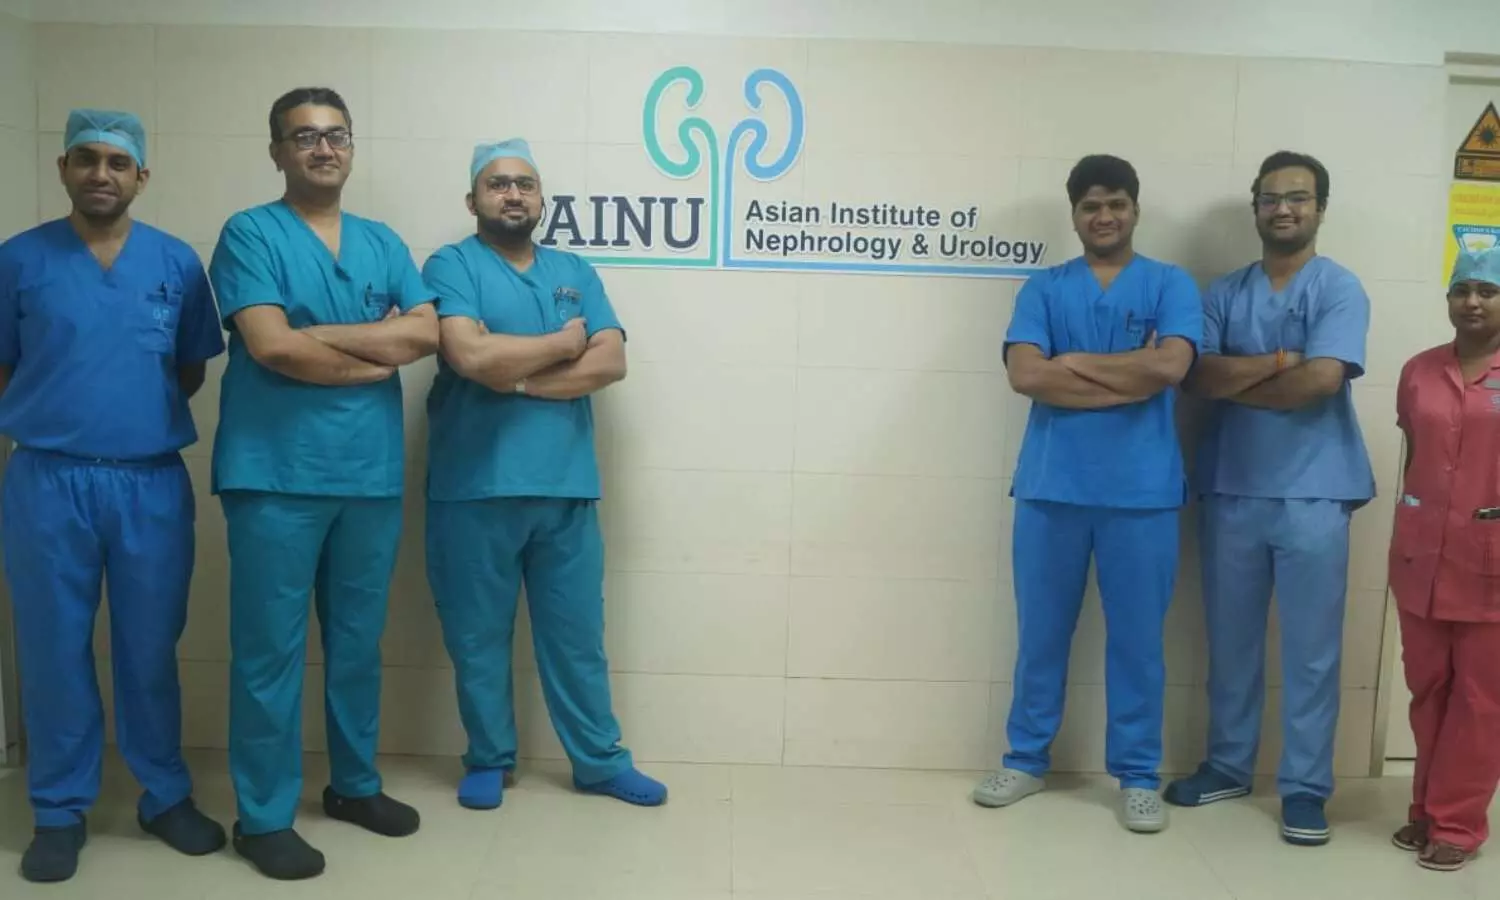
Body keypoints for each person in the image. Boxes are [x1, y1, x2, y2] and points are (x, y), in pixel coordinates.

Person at [207, 87, 438, 880]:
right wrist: (369, 354)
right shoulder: (250, 233)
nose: (323, 148)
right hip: (275, 475)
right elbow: (271, 346)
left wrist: (322, 338)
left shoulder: (382, 241)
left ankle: (354, 786)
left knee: (357, 645)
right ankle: (264, 817)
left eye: (336, 134)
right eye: (304, 136)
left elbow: (425, 332)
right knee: (269, 652)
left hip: (368, 477)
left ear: (352, 147)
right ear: (277, 151)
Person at [0, 110, 227, 883]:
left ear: (141, 177)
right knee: (52, 647)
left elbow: (189, 368)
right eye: (87, 159)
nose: (102, 173)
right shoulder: (19, 260)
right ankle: (58, 810)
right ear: (63, 168)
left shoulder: (175, 263)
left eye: (118, 162)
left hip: (149, 481)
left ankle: (164, 795)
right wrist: (64, 416)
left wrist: (127, 417)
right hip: (48, 480)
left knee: (150, 646)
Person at [422, 138, 666, 812]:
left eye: (525, 184)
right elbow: (470, 356)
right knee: (477, 638)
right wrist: (561, 346)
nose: (513, 194)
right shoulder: (451, 265)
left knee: (576, 638)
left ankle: (599, 762)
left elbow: (610, 362)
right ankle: (489, 759)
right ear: (472, 199)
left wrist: (519, 380)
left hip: (565, 488)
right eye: (498, 184)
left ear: (540, 199)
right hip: (473, 486)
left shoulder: (573, 269)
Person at [972, 155, 1201, 832]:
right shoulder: (1043, 289)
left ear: (1136, 209)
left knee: (1138, 642)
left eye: (1117, 204)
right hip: (1053, 489)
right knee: (1041, 634)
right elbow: (1026, 376)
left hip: (1143, 494)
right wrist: (1131, 377)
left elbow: (1173, 367)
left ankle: (1138, 776)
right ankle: (1025, 759)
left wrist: (1070, 363)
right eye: (1091, 206)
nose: (1105, 216)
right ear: (1074, 214)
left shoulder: (1170, 284)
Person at [1165, 151, 1373, 847]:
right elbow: (1198, 377)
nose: (1284, 208)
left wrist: (1246, 381)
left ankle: (1305, 789)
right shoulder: (1225, 292)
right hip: (1233, 486)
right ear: (1256, 206)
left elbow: (1322, 381)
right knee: (1231, 642)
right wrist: (1285, 361)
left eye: (1298, 197)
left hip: (1316, 492)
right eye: (1271, 197)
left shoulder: (1339, 288)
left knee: (1312, 651)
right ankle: (1228, 765)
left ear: (1320, 208)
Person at [1387, 246, 1500, 872]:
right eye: (1462, 290)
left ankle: (1459, 824)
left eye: (1488, 290)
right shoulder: (1419, 371)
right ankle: (1426, 811)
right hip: (1422, 559)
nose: (1473, 302)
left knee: (1481, 701)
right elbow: (1415, 453)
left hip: (1491, 564)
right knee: (1428, 689)